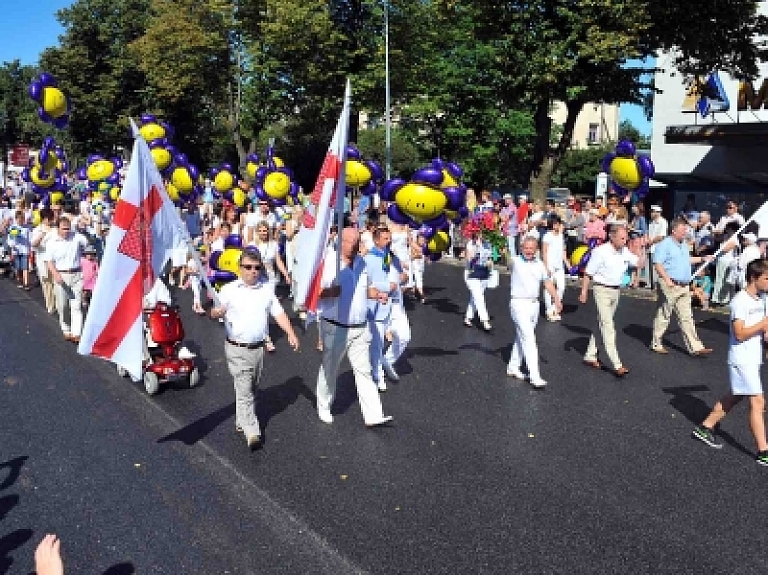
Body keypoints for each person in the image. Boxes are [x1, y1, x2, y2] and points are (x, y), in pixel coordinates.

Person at [210, 248, 299, 449]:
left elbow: (279, 314)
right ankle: (253, 432)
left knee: (251, 387)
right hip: (236, 348)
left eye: (257, 268)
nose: (253, 271)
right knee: (244, 389)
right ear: (240, 268)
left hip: (258, 348)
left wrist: (291, 333)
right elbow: (215, 312)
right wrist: (216, 312)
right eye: (248, 267)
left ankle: (242, 419)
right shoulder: (229, 290)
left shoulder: (266, 290)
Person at [692, 259, 768, 465]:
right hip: (741, 359)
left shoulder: (760, 299)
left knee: (735, 396)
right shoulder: (739, 301)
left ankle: (705, 427)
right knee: (758, 401)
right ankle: (764, 451)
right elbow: (740, 333)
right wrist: (762, 325)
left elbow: (761, 328)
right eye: (766, 278)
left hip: (753, 357)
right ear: (754, 277)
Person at [315, 227, 393, 427]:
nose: (355, 245)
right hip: (335, 327)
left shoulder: (362, 262)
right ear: (340, 242)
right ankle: (324, 406)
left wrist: (377, 295)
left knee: (364, 371)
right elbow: (315, 294)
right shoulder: (329, 263)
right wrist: (331, 292)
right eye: (351, 241)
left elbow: (366, 288)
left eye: (357, 241)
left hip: (360, 327)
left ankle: (374, 415)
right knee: (330, 369)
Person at [579, 225, 637, 377]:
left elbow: (638, 263)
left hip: (616, 291)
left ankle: (590, 355)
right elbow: (588, 273)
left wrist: (641, 247)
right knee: (608, 326)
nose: (625, 241)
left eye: (626, 238)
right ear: (612, 237)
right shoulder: (600, 252)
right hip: (601, 290)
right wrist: (584, 291)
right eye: (622, 238)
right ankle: (617, 364)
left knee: (602, 324)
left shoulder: (624, 251)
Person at [650, 219, 715, 356]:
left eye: (685, 230)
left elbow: (687, 259)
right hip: (670, 284)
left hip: (684, 285)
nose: (685, 233)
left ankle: (696, 347)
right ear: (673, 230)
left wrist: (702, 259)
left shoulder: (683, 245)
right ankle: (656, 343)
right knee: (664, 314)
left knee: (687, 317)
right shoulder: (664, 245)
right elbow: (657, 264)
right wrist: (667, 279)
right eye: (682, 230)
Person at [506, 236, 563, 388]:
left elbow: (547, 282)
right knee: (529, 339)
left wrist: (556, 298)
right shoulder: (515, 261)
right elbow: (507, 259)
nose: (529, 251)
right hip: (518, 304)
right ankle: (534, 376)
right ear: (521, 248)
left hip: (534, 305)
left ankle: (513, 366)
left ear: (536, 249)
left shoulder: (540, 265)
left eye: (532, 248)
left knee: (521, 337)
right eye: (526, 248)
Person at [364, 227, 398, 390]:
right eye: (385, 238)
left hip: (388, 306)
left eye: (389, 238)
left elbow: (391, 276)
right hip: (374, 308)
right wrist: (387, 286)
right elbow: (366, 282)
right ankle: (377, 376)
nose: (388, 241)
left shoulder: (387, 256)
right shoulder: (369, 259)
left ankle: (376, 366)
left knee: (383, 342)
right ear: (376, 240)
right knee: (377, 344)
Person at [47, 217, 89, 343]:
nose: (66, 231)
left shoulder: (76, 236)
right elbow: (49, 262)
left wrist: (84, 226)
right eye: (63, 229)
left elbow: (86, 242)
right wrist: (55, 274)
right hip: (61, 275)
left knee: (76, 305)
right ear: (58, 228)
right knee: (63, 305)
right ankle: (66, 329)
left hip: (76, 274)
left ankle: (77, 333)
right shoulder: (52, 242)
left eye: (68, 228)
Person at [463, 231, 494, 331]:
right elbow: (468, 259)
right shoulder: (470, 244)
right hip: (471, 273)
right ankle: (485, 320)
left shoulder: (488, 244)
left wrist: (490, 264)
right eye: (479, 232)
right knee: (479, 297)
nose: (482, 234)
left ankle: (468, 317)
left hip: (483, 273)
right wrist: (476, 248)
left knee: (476, 297)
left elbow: (489, 259)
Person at [541, 215, 568, 321]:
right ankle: (549, 311)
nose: (557, 225)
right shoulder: (547, 236)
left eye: (558, 223)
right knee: (548, 288)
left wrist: (567, 264)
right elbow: (544, 252)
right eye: (555, 223)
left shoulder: (561, 236)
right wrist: (546, 266)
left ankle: (554, 308)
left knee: (561, 287)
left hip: (559, 266)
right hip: (550, 265)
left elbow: (562, 251)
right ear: (552, 225)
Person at [31, 208, 57, 314]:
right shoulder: (37, 230)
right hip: (43, 260)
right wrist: (42, 234)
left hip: (55, 261)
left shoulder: (55, 229)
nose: (52, 220)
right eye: (51, 218)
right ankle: (50, 306)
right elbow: (33, 244)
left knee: (56, 284)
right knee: (47, 284)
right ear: (45, 219)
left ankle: (59, 305)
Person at [647, 205, 668, 286]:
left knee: (657, 267)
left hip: (658, 248)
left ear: (658, 213)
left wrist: (651, 242)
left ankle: (656, 284)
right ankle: (650, 284)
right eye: (651, 211)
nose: (651, 213)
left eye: (653, 211)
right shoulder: (651, 222)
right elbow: (649, 234)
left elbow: (662, 236)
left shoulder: (663, 222)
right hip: (650, 248)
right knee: (650, 267)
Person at [80, 245, 99, 314]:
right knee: (85, 292)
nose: (90, 256)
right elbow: (80, 268)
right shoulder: (82, 261)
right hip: (85, 279)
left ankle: (92, 303)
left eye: (91, 254)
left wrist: (97, 274)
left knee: (92, 291)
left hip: (93, 279)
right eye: (88, 254)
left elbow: (97, 269)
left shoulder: (94, 261)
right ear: (85, 254)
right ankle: (84, 300)